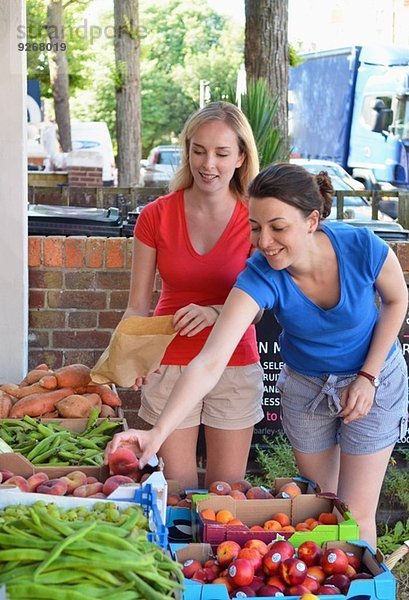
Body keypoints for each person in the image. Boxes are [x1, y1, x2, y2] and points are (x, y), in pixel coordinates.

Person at [107, 162, 409, 548]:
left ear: (312, 220)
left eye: (277, 227)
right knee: (326, 502)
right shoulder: (261, 275)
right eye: (255, 227)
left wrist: (368, 377)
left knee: (356, 512)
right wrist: (156, 433)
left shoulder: (359, 247)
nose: (264, 241)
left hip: (374, 379)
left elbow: (397, 299)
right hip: (306, 387)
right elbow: (211, 359)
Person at [118, 101, 264, 489]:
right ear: (186, 151)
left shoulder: (255, 217)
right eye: (198, 150)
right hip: (170, 362)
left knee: (225, 495)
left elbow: (261, 309)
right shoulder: (156, 215)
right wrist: (132, 354)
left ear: (241, 157)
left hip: (234, 362)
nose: (208, 164)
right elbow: (137, 305)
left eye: (221, 153)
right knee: (178, 492)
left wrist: (219, 312)